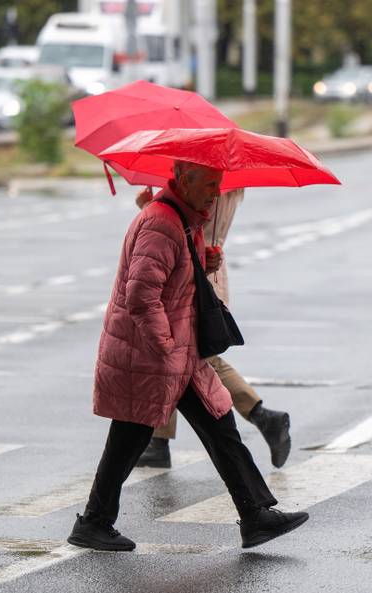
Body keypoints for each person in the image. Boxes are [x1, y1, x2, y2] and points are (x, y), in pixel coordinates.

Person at [67, 162, 308, 552]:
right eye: (211, 184)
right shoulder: (162, 222)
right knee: (130, 437)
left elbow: (172, 283)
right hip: (155, 353)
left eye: (219, 185)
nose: (217, 192)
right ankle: (93, 521)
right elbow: (141, 295)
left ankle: (255, 515)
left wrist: (203, 263)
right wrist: (164, 347)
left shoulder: (183, 220)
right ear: (185, 180)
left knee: (219, 425)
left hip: (180, 353)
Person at [133, 187, 291, 470]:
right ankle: (159, 441)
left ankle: (261, 415)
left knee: (182, 357)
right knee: (175, 358)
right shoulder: (229, 181)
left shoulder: (205, 183)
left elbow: (180, 226)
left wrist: (148, 207)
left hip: (195, 273)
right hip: (210, 270)